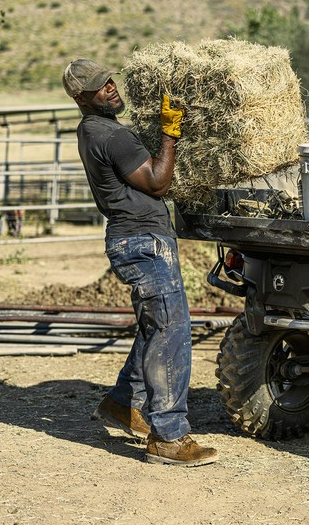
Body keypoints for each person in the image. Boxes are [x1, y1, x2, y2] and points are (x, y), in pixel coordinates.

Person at [63, 58, 217, 467]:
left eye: (109, 80)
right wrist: (170, 134)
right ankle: (168, 435)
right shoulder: (111, 135)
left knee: (156, 326)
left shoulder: (90, 129)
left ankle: (121, 402)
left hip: (133, 238)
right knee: (171, 330)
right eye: (100, 87)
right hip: (144, 242)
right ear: (81, 97)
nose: (111, 88)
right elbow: (157, 181)